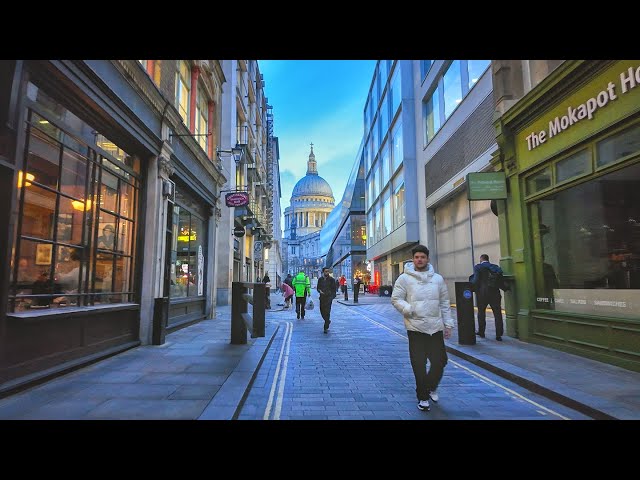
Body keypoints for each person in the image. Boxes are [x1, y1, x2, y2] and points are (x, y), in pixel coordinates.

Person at [391, 244, 454, 412]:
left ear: (427, 259)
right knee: (418, 364)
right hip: (415, 327)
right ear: (413, 259)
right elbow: (396, 299)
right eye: (417, 257)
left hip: (435, 327)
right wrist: (408, 309)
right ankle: (423, 397)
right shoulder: (404, 278)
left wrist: (448, 324)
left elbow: (445, 303)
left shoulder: (438, 279)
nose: (419, 260)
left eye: (423, 257)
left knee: (440, 361)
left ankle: (431, 386)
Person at [470, 253, 505, 341]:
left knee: (481, 313)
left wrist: (470, 286)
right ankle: (498, 335)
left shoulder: (478, 267)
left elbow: (476, 280)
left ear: (481, 259)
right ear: (488, 259)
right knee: (497, 313)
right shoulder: (495, 267)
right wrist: (505, 288)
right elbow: (500, 280)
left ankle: (481, 332)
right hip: (495, 293)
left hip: (482, 294)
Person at [317, 267, 337, 333]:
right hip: (322, 297)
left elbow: (334, 289)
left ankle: (326, 326)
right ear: (323, 272)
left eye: (328, 271)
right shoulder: (320, 279)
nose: (327, 273)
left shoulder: (332, 280)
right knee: (322, 311)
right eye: (326, 271)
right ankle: (327, 320)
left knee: (327, 311)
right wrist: (320, 291)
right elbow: (318, 288)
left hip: (329, 297)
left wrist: (332, 297)